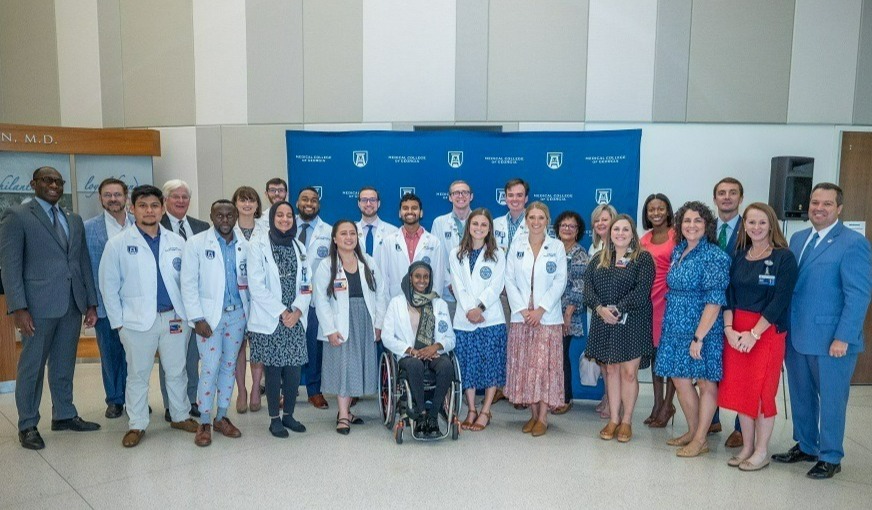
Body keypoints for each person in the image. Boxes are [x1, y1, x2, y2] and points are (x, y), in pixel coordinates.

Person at [772, 183, 872, 479]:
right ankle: (806, 445)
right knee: (801, 395)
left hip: (832, 340)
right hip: (797, 335)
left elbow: (858, 295)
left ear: (839, 208)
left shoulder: (853, 243)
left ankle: (830, 455)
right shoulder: (799, 238)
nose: (819, 208)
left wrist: (844, 336)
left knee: (831, 399)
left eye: (827, 204)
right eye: (815, 202)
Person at [0, 166, 100, 450]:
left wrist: (90, 302)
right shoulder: (18, 216)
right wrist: (18, 307)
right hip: (37, 306)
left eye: (59, 181)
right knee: (32, 366)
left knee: (64, 362)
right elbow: (10, 265)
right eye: (47, 180)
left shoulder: (73, 219)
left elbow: (82, 264)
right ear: (33, 183)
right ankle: (28, 423)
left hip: (71, 304)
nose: (54, 185)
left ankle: (64, 414)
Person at [99, 185, 198, 447]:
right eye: (143, 205)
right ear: (133, 208)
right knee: (138, 374)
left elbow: (187, 282)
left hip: (174, 319)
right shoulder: (118, 244)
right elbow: (108, 286)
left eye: (155, 205)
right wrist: (118, 324)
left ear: (163, 208)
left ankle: (179, 415)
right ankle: (138, 423)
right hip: (136, 322)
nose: (149, 210)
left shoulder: (177, 242)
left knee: (177, 371)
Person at [718, 203, 798, 471]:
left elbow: (780, 300)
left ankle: (761, 451)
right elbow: (728, 295)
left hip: (766, 333)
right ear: (744, 226)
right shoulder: (740, 256)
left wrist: (754, 333)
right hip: (737, 330)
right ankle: (748, 447)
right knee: (743, 392)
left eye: (762, 222)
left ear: (771, 224)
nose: (756, 227)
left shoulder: (784, 257)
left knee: (763, 393)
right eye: (751, 222)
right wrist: (729, 330)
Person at [654, 201, 730, 457]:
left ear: (707, 225)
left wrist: (699, 337)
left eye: (698, 220)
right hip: (675, 325)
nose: (692, 225)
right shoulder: (679, 251)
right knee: (679, 378)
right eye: (687, 220)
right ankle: (693, 430)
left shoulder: (714, 256)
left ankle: (700, 439)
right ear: (679, 225)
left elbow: (715, 300)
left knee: (706, 383)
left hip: (702, 328)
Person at [181, 200, 250, 447]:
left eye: (229, 215)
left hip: (238, 316)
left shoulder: (245, 245)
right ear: (211, 215)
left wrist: (250, 319)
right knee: (209, 368)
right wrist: (197, 318)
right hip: (210, 318)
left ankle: (221, 417)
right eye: (219, 215)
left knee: (229, 367)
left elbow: (249, 283)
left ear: (235, 217)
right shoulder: (197, 244)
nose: (224, 219)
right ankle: (204, 422)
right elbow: (188, 284)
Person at [583, 214, 655, 443]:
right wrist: (599, 308)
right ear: (610, 234)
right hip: (604, 321)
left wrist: (618, 310)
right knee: (611, 371)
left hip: (633, 321)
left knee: (629, 373)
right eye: (616, 230)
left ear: (632, 233)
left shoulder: (643, 259)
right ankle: (613, 419)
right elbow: (588, 290)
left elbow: (642, 290)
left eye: (625, 230)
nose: (620, 234)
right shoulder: (598, 259)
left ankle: (626, 421)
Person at [313, 220, 386, 434]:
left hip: (364, 319)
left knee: (358, 366)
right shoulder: (327, 265)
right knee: (343, 367)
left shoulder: (369, 262)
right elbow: (321, 299)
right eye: (343, 233)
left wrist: (379, 323)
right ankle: (343, 415)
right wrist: (329, 329)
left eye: (352, 233)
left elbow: (380, 294)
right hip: (339, 322)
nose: (348, 237)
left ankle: (346, 411)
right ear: (335, 239)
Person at [246, 201, 310, 438]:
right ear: (272, 218)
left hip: (294, 317)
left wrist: (297, 311)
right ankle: (274, 419)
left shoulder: (299, 246)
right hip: (271, 318)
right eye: (280, 215)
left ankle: (289, 415)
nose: (285, 219)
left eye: (289, 216)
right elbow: (256, 286)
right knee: (273, 371)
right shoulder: (258, 245)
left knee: (293, 370)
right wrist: (283, 312)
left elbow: (307, 284)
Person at [504, 202, 567, 437]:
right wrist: (522, 309)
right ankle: (532, 413)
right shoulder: (517, 245)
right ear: (526, 220)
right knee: (525, 366)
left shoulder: (557, 247)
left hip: (546, 317)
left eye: (541, 217)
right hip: (522, 316)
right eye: (532, 217)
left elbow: (560, 281)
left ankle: (543, 417)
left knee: (543, 368)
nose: (536, 221)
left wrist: (540, 309)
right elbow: (509, 279)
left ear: (547, 220)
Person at [381, 262, 456, 436]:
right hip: (409, 354)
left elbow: (450, 338)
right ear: (410, 278)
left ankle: (433, 415)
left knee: (446, 367)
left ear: (430, 280)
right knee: (415, 365)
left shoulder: (438, 303)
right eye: (417, 276)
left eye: (426, 277)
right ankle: (421, 414)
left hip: (434, 353)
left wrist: (435, 347)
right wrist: (411, 350)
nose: (422, 280)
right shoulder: (397, 303)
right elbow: (387, 337)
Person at [449, 208, 506, 431]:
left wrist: (479, 307)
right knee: (467, 367)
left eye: (484, 225)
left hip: (489, 319)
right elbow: (458, 285)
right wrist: (470, 309)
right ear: (468, 227)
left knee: (491, 365)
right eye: (475, 224)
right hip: (465, 319)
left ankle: (485, 411)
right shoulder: (456, 253)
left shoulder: (498, 253)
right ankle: (471, 409)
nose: (479, 228)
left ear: (489, 228)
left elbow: (496, 286)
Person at [84, 177, 135, 419]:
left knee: (136, 356)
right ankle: (115, 399)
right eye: (108, 195)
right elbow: (85, 268)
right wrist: (90, 305)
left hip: (137, 305)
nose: (113, 199)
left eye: (117, 194)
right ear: (101, 198)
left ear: (126, 196)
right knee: (111, 354)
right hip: (105, 304)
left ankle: (135, 399)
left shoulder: (140, 224)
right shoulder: (88, 228)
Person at [159, 179, 209, 422]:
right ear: (165, 200)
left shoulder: (202, 226)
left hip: (197, 306)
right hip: (171, 306)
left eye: (184, 197)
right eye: (175, 197)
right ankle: (172, 404)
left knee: (192, 358)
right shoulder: (156, 226)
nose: (180, 201)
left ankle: (191, 400)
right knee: (171, 360)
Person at [639, 194, 677, 428]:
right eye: (651, 209)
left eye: (660, 209)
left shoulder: (678, 234)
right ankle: (657, 402)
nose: (656, 213)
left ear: (667, 210)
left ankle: (668, 405)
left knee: (670, 355)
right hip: (650, 301)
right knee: (655, 355)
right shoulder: (644, 239)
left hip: (671, 299)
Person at [230, 185, 269, 414]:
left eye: (251, 200)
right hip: (235, 297)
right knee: (238, 347)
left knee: (258, 346)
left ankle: (255, 389)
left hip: (259, 299)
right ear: (235, 203)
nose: (247, 204)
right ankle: (241, 391)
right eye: (242, 200)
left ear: (257, 205)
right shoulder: (227, 229)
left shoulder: (265, 230)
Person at [713, 177, 745, 445]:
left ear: (740, 198)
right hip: (710, 308)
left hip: (741, 307)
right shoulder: (706, 228)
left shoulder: (753, 227)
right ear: (715, 199)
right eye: (722, 193)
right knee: (710, 363)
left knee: (740, 368)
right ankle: (710, 418)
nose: (727, 197)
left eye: (732, 193)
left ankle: (740, 427)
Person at [296, 186, 332, 409]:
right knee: (288, 346)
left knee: (314, 348)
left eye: (314, 200)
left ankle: (314, 389)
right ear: (298, 203)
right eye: (304, 199)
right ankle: (285, 391)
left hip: (316, 300)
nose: (309, 203)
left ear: (319, 204)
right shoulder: (286, 226)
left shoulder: (328, 231)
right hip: (290, 300)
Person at [552, 210, 590, 415]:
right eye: (563, 225)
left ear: (578, 231)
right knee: (552, 357)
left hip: (566, 315)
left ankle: (565, 398)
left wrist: (566, 316)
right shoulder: (552, 249)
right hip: (548, 313)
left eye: (571, 226)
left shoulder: (579, 254)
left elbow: (578, 288)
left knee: (561, 357)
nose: (567, 229)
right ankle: (552, 396)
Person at [378, 193, 447, 300]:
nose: (410, 211)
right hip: (396, 302)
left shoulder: (434, 242)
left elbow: (438, 279)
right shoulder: (389, 241)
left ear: (421, 213)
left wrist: (434, 305)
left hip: (425, 303)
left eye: (414, 208)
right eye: (405, 208)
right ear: (400, 213)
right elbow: (384, 279)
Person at [588, 203, 617, 419]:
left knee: (612, 361)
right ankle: (608, 396)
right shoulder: (594, 248)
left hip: (614, 315)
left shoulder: (621, 247)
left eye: (605, 219)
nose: (600, 223)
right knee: (603, 360)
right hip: (596, 311)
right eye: (597, 220)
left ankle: (615, 402)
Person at [432, 180, 474, 307]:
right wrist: (451, 284)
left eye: (465, 192)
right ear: (450, 197)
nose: (460, 196)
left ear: (471, 196)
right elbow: (437, 258)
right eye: (456, 193)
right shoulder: (439, 223)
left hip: (476, 294)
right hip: (449, 295)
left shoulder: (481, 221)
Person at [356, 186, 398, 261]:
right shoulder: (352, 231)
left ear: (378, 203)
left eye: (372, 200)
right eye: (364, 200)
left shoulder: (393, 232)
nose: (368, 204)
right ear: (359, 204)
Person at [493, 178, 530, 252]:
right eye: (510, 195)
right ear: (506, 199)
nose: (514, 199)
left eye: (519, 195)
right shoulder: (495, 223)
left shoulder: (535, 224)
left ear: (526, 198)